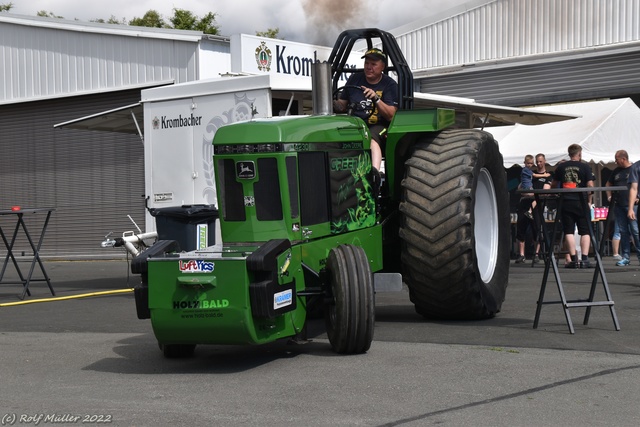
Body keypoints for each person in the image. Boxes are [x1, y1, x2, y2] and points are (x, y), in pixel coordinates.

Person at [334, 48, 399, 172]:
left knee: (370, 138)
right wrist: (333, 104)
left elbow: (391, 115)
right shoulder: (354, 79)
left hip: (380, 125)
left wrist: (376, 98)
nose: (369, 67)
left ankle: (374, 174)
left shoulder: (389, 85)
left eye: (373, 64)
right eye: (366, 63)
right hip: (355, 124)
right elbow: (342, 105)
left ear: (382, 67)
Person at [552, 144, 595, 268]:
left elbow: (554, 184)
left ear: (569, 154)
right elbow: (590, 185)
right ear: (579, 154)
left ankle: (574, 260)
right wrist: (589, 200)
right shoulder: (585, 167)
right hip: (581, 201)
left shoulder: (561, 167)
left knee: (568, 231)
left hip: (565, 201)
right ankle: (585, 260)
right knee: (585, 231)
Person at [515, 153, 552, 263]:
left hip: (537, 205)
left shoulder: (548, 176)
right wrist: (525, 191)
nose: (539, 164)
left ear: (544, 161)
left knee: (537, 229)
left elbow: (545, 192)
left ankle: (536, 254)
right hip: (525, 203)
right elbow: (520, 187)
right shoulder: (530, 173)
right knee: (521, 228)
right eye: (537, 162)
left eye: (541, 161)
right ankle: (521, 254)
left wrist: (532, 194)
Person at [606, 150, 640, 266]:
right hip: (619, 205)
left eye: (617, 159)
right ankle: (626, 257)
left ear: (623, 159)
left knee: (635, 231)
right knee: (623, 231)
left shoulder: (634, 168)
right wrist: (609, 196)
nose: (616, 162)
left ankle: (639, 254)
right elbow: (608, 184)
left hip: (633, 206)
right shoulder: (616, 171)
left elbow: (635, 188)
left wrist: (638, 198)